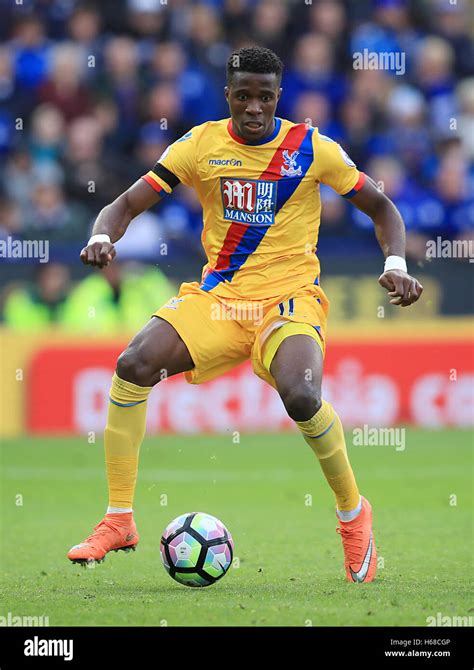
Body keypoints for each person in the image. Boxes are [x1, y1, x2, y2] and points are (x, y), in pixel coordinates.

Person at [68, 47, 423, 583]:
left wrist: (396, 262)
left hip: (289, 300)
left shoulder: (311, 147)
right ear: (228, 95)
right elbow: (124, 206)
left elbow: (382, 207)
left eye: (265, 96)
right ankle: (119, 518)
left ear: (279, 98)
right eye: (243, 95)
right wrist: (100, 235)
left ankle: (354, 515)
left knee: (302, 395)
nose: (254, 107)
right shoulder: (200, 144)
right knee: (133, 363)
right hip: (220, 299)